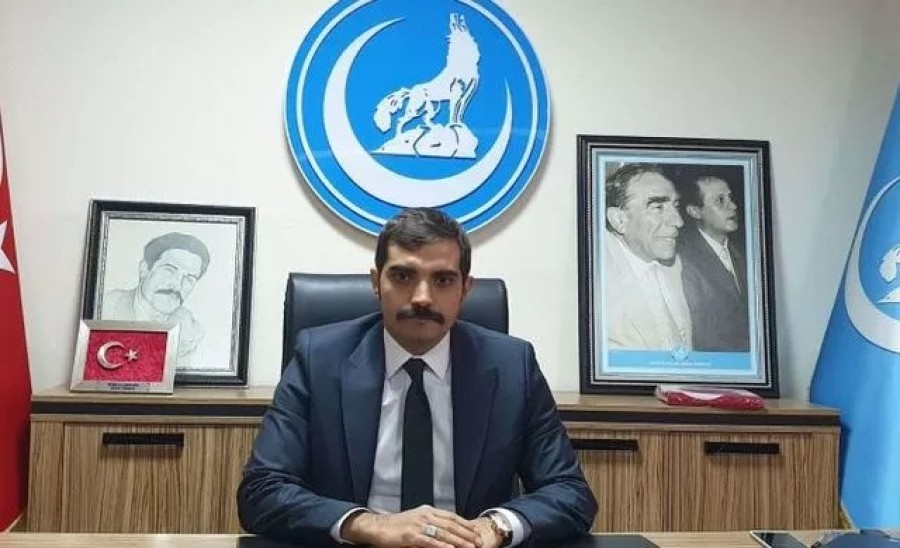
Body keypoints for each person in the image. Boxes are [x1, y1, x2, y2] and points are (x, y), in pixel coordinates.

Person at [237, 208, 596, 547]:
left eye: (443, 280)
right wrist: (371, 526)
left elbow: (570, 492)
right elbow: (262, 491)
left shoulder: (512, 366)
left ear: (465, 290)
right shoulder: (319, 360)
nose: (422, 297)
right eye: (403, 276)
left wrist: (495, 527)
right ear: (376, 282)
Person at [603, 163, 692, 350]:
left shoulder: (677, 265)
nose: (679, 221)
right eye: (658, 207)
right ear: (620, 220)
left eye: (676, 206)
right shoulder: (597, 283)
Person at [102, 231, 209, 365]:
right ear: (144, 269)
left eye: (189, 279)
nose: (177, 285)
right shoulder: (107, 305)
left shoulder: (190, 332)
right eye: (169, 271)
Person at [679, 174, 750, 351]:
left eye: (730, 198)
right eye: (720, 200)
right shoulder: (684, 261)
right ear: (695, 211)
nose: (733, 206)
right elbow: (704, 338)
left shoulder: (743, 250)